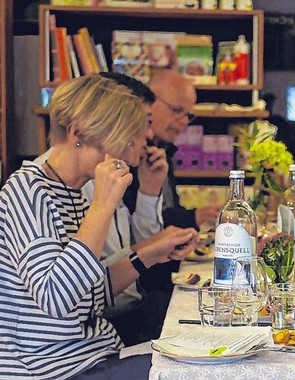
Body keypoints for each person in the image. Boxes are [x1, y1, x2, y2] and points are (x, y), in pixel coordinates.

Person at [0, 75, 196, 379]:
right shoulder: (27, 191)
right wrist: (102, 206)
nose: (137, 145)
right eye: (124, 137)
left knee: (198, 353)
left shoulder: (71, 192)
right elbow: (56, 298)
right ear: (78, 133)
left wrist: (147, 255)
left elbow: (87, 297)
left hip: (91, 353)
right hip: (51, 368)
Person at [124, 70, 221, 293]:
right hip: (136, 287)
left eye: (188, 115)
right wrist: (193, 217)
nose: (184, 121)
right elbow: (133, 238)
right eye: (177, 110)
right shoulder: (126, 158)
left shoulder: (162, 151)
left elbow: (160, 216)